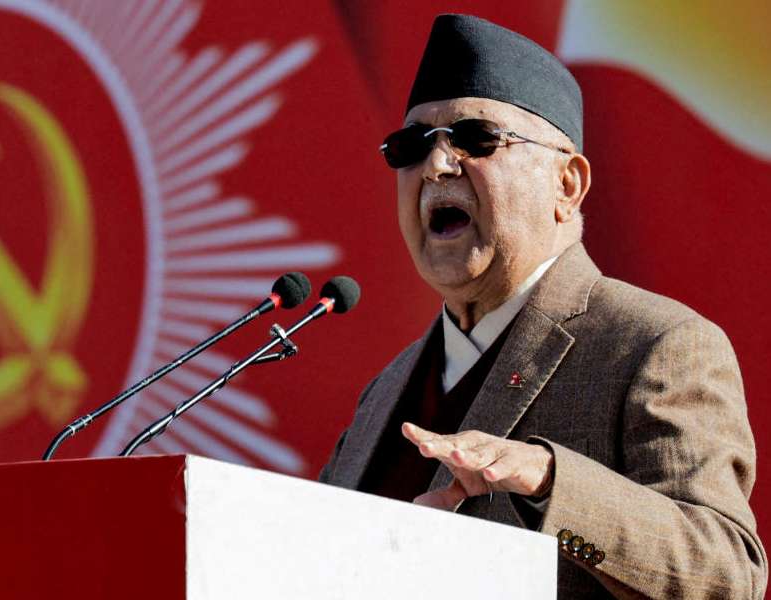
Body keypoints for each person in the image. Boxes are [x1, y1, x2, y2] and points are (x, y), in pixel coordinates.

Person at [319, 14, 767, 599]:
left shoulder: (656, 345)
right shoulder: (386, 390)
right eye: (411, 147)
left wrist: (552, 481)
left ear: (567, 186)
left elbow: (727, 575)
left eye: (476, 138)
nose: (436, 166)